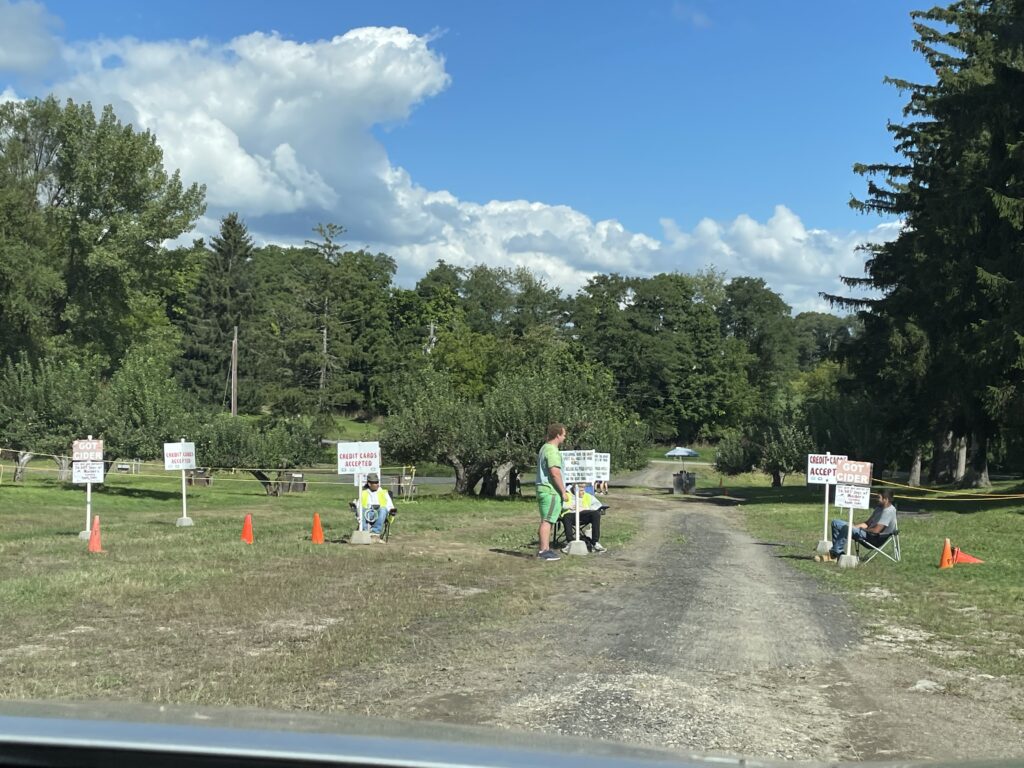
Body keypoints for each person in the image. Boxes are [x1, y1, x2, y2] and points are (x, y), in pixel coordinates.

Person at [816, 488, 897, 562]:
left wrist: (859, 530)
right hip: (867, 533)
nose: (876, 499)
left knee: (847, 528)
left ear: (885, 499)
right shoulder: (879, 508)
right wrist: (855, 527)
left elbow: (876, 531)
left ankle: (833, 554)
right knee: (835, 523)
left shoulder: (888, 512)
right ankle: (837, 553)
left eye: (878, 497)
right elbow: (867, 523)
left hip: (874, 538)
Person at [535, 423, 569, 561]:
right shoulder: (552, 451)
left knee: (547, 520)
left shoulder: (544, 448)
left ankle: (545, 548)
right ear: (558, 435)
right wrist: (563, 491)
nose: (565, 437)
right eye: (564, 434)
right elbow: (555, 473)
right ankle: (544, 551)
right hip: (550, 491)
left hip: (543, 490)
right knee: (547, 521)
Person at [561, 483, 608, 553]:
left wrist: (587, 508)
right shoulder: (567, 496)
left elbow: (598, 505)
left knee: (596, 514)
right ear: (574, 490)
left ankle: (595, 542)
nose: (583, 492)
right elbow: (559, 505)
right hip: (571, 515)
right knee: (567, 516)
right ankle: (570, 542)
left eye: (583, 490)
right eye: (580, 490)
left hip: (584, 515)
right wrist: (569, 506)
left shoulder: (587, 496)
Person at [353, 472, 396, 540]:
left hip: (379, 514)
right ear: (369, 484)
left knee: (383, 509)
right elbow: (358, 506)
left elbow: (390, 507)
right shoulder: (363, 493)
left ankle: (375, 533)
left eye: (377, 482)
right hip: (367, 514)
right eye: (375, 483)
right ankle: (364, 531)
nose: (377, 484)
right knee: (360, 509)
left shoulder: (384, 493)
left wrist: (391, 512)